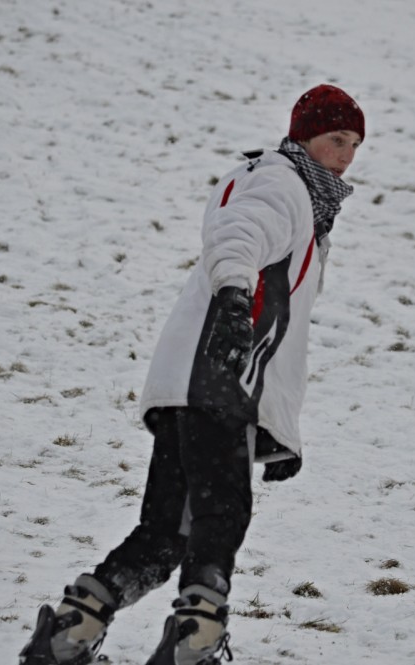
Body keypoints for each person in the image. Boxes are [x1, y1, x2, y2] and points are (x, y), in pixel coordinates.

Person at [19, 83, 365, 665]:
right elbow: (238, 236)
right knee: (220, 515)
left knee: (165, 532)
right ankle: (195, 644)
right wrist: (233, 296)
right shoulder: (282, 182)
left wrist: (280, 430)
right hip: (221, 375)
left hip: (198, 378)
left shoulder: (288, 190)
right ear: (305, 137)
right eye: (337, 139)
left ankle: (68, 634)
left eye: (356, 144)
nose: (347, 155)